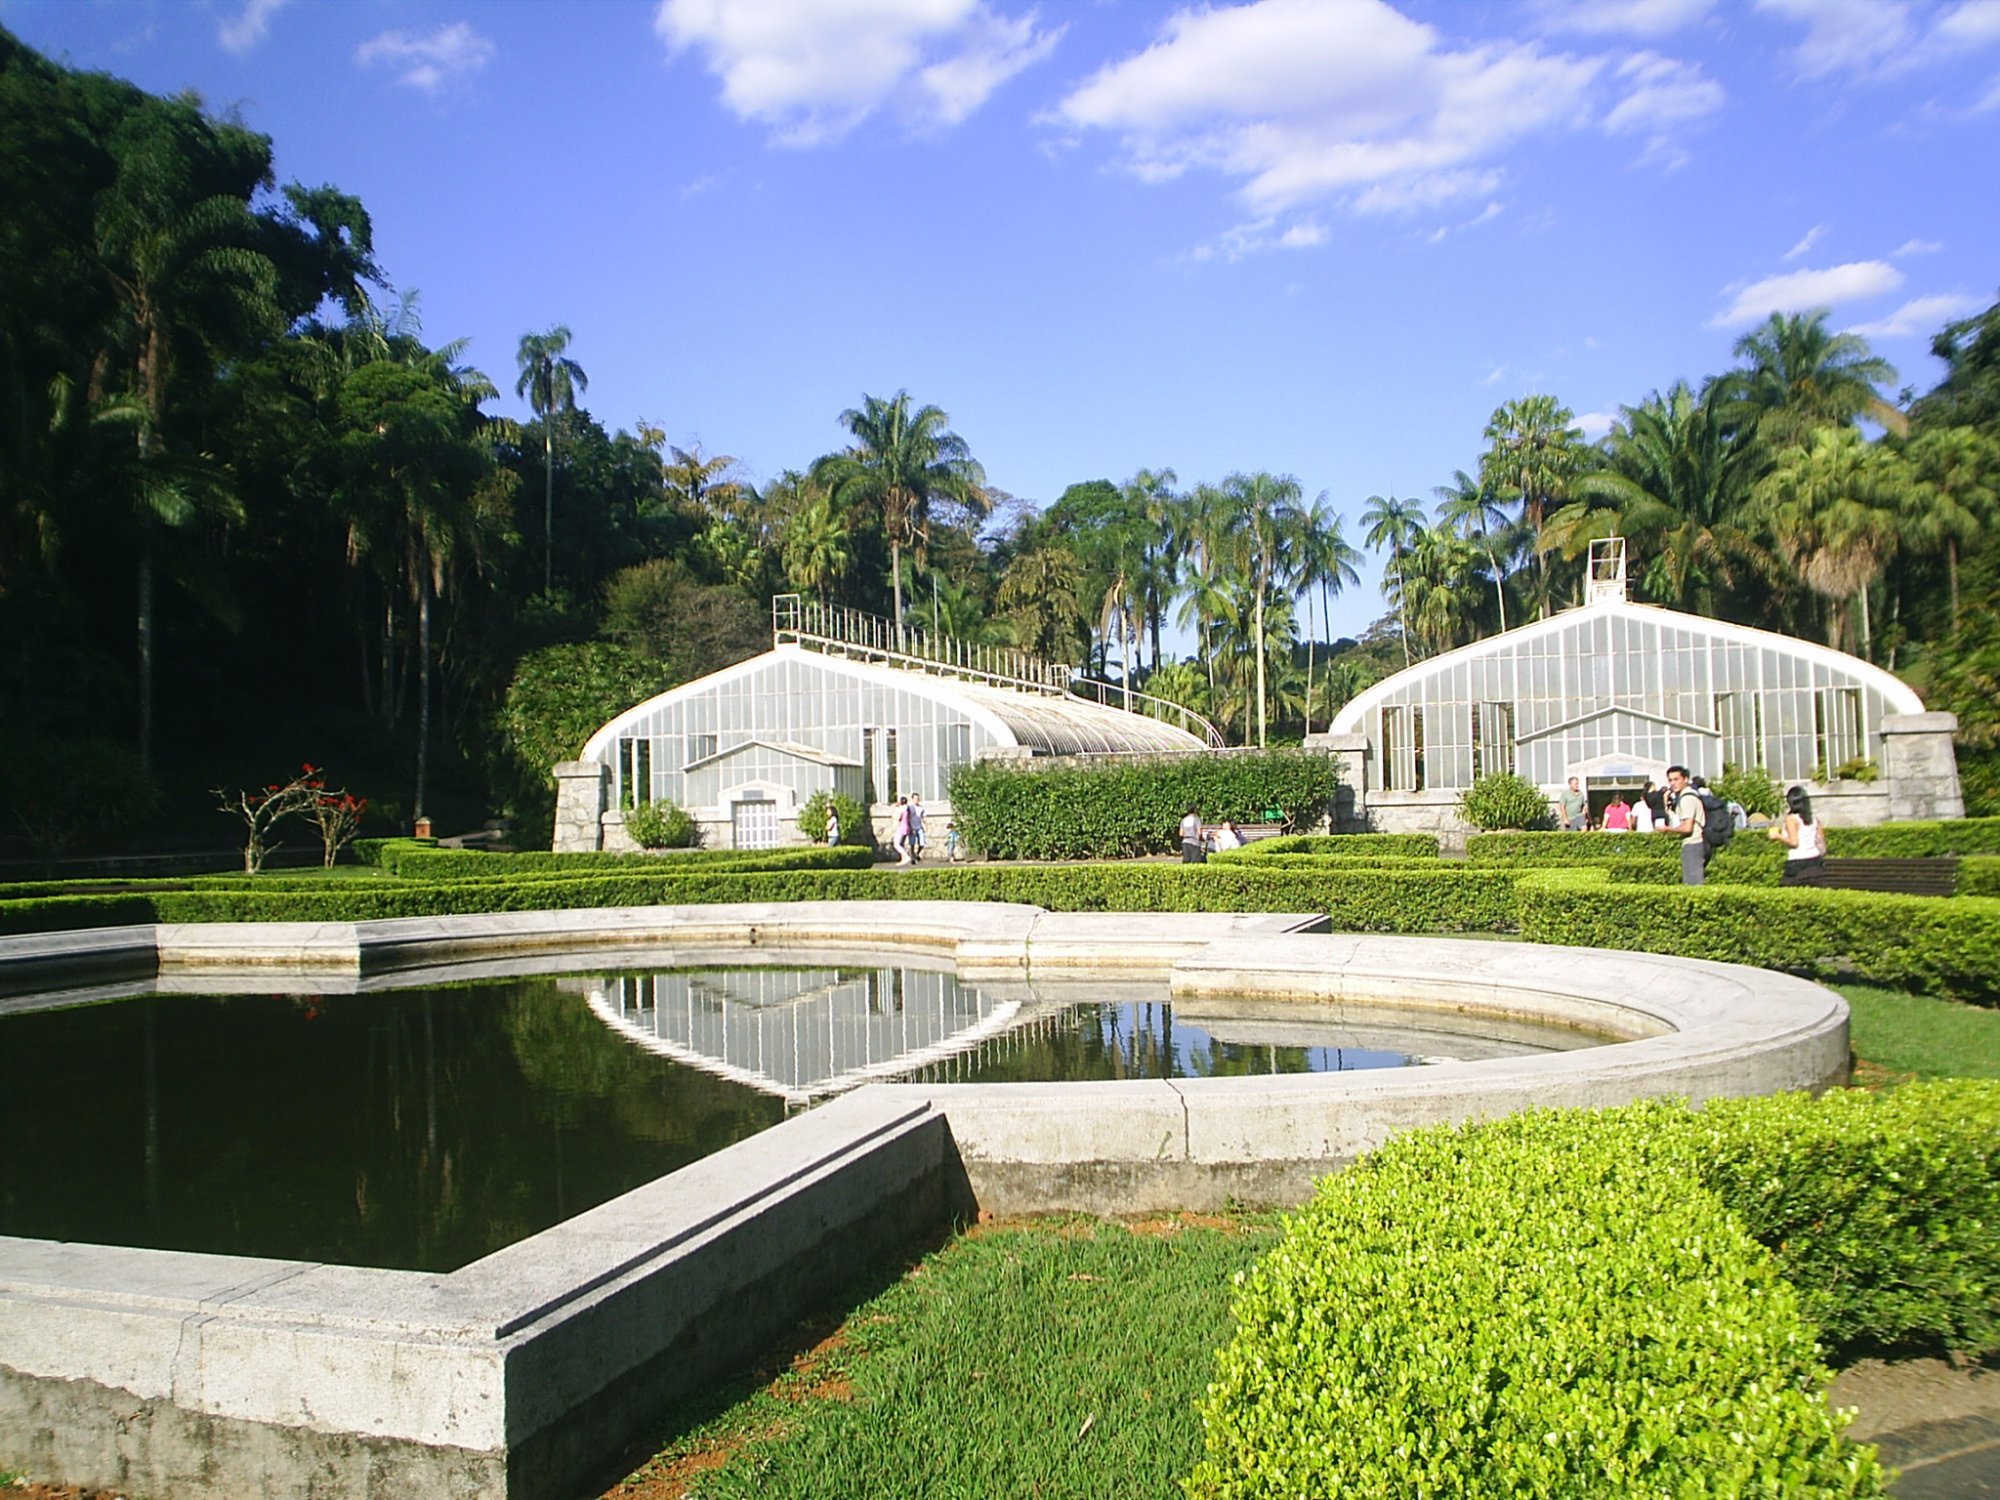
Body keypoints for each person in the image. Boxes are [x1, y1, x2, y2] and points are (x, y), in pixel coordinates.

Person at [1769, 783, 1827, 886]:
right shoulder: (1814, 818)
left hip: (1797, 862)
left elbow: (1794, 842)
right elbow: (1821, 840)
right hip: (1814, 861)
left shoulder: (1791, 818)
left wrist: (1778, 836)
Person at [1664, 764, 1707, 885]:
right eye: (1670, 780)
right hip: (1694, 843)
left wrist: (1667, 829)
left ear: (1686, 779)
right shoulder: (1686, 796)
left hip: (1693, 843)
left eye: (1676, 779)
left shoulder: (1687, 798)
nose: (1672, 783)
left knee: (1693, 884)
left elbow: (1687, 827)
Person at [892, 795, 912, 865]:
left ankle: (906, 857)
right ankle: (903, 859)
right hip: (906, 828)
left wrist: (895, 808)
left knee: (896, 844)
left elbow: (897, 817)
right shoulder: (908, 809)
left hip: (901, 828)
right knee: (901, 844)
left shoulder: (901, 809)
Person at [908, 793, 927, 862]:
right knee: (912, 843)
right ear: (912, 799)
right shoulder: (910, 808)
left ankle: (917, 854)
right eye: (915, 799)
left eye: (918, 799)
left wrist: (925, 826)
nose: (917, 800)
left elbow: (923, 817)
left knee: (922, 843)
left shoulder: (921, 808)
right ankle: (912, 857)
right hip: (912, 827)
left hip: (919, 827)